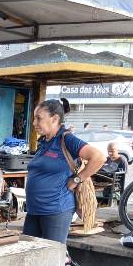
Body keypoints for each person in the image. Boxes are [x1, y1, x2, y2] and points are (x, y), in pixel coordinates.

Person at [24, 99, 105, 244]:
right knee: (27, 253)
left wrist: (77, 179)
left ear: (55, 119)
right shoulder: (44, 141)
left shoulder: (67, 139)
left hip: (56, 209)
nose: (34, 123)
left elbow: (98, 157)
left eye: (39, 118)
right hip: (34, 210)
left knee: (52, 256)